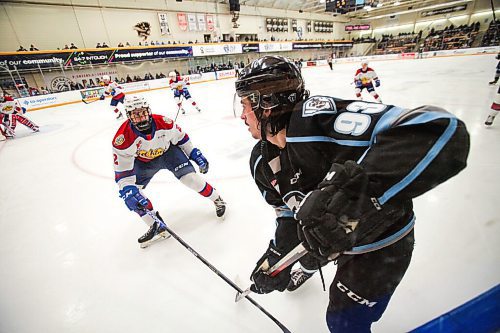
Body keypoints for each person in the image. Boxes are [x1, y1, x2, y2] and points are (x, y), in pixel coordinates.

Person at [233, 56, 470, 332]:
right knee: (314, 237)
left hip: (379, 246)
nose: (241, 115)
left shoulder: (314, 119)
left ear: (267, 105)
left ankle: (315, 263)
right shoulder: (261, 162)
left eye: (245, 105)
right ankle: (309, 265)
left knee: (343, 322)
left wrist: (350, 194)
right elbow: (288, 215)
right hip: (334, 240)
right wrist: (275, 260)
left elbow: (440, 130)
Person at [112, 95, 226, 248]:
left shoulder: (164, 122)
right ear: (129, 116)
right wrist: (127, 190)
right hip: (144, 163)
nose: (140, 117)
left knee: (191, 179)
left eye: (143, 112)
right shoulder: (122, 139)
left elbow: (182, 139)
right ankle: (157, 227)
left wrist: (194, 154)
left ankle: (217, 199)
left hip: (169, 154)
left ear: (149, 111)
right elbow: (123, 174)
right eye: (135, 114)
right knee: (134, 197)